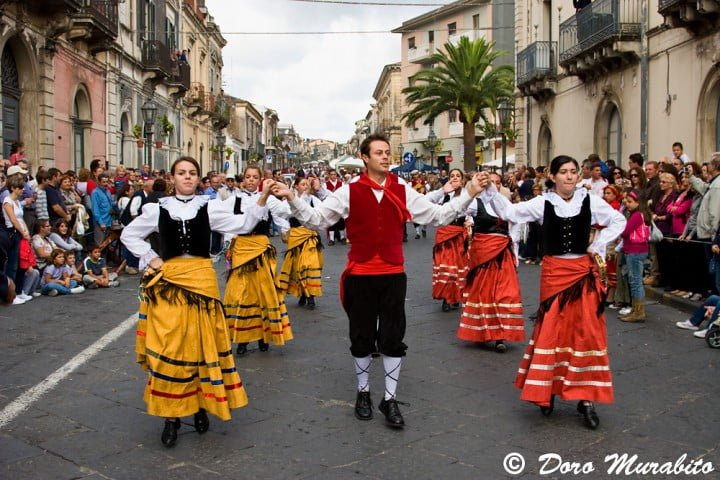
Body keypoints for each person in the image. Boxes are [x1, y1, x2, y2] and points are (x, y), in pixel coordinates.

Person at [271, 133, 485, 429]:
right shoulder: (349, 191)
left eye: (388, 152)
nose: (386, 156)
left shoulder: (402, 189)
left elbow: (437, 215)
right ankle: (362, 393)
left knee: (392, 338)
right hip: (360, 274)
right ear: (365, 157)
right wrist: (293, 197)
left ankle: (390, 398)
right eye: (379, 152)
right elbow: (318, 219)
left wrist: (469, 193)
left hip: (393, 273)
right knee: (360, 338)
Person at [120, 156, 265, 448]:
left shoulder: (210, 205)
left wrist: (262, 198)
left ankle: (200, 406)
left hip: (201, 280)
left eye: (192, 173)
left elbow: (245, 223)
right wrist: (152, 257)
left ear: (199, 179)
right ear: (172, 177)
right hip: (171, 281)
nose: (187, 177)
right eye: (181, 173)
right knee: (170, 346)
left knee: (201, 346)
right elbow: (129, 234)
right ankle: (171, 416)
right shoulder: (156, 208)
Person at [478, 155, 626, 430]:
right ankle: (546, 391)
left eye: (573, 172)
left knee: (586, 333)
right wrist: (490, 190)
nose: (570, 176)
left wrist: (599, 245)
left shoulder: (590, 200)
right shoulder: (543, 202)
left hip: (582, 272)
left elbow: (618, 221)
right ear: (554, 176)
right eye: (564, 172)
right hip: (555, 273)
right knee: (552, 332)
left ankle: (586, 399)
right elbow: (510, 214)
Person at [224, 165, 292, 356]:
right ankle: (242, 338)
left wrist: (280, 191)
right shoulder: (233, 200)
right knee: (240, 294)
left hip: (260, 249)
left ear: (260, 179)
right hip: (241, 249)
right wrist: (228, 243)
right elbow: (226, 223)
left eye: (255, 177)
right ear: (243, 179)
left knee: (263, 293)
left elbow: (285, 211)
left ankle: (264, 336)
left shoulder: (269, 200)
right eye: (248, 177)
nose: (251, 180)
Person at [459, 172, 523, 353]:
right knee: (483, 294)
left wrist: (514, 251)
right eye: (489, 183)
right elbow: (461, 212)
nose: (492, 186)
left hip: (503, 256)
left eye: (496, 182)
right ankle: (482, 332)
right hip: (484, 257)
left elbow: (515, 227)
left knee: (505, 294)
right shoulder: (475, 204)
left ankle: (500, 335)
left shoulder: (507, 207)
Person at [425, 168, 468, 312]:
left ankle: (455, 297)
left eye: (458, 176)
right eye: (452, 176)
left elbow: (475, 211)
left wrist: (471, 221)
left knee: (458, 269)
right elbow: (426, 200)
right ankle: (445, 298)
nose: (455, 178)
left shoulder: (467, 195)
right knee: (446, 267)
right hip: (444, 235)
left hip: (459, 235)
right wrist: (443, 191)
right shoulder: (444, 195)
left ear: (462, 179)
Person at [277, 177, 323, 310]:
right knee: (297, 268)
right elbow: (283, 215)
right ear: (296, 186)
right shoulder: (288, 201)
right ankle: (303, 293)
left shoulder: (315, 200)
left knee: (308, 265)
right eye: (303, 184)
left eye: (307, 184)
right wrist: (284, 230)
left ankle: (311, 296)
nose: (306, 186)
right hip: (296, 237)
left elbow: (320, 215)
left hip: (310, 237)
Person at [618, 190, 651, 322]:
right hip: (637, 250)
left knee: (636, 282)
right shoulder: (642, 214)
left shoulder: (637, 215)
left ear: (639, 202)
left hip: (635, 250)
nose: (628, 204)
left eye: (631, 202)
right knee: (635, 281)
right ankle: (635, 309)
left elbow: (625, 232)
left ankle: (638, 311)